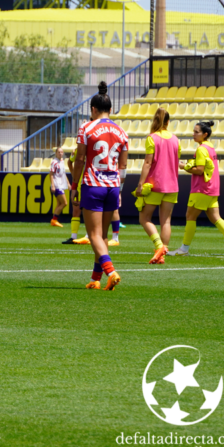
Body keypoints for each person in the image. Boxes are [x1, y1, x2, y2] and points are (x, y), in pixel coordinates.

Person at [71, 81, 126, 290]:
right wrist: (119, 190)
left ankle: (111, 272)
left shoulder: (86, 128)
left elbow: (79, 159)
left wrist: (74, 185)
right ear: (110, 110)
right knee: (102, 236)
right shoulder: (121, 132)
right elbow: (123, 166)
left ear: (93, 109)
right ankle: (96, 278)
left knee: (93, 235)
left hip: (93, 185)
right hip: (112, 186)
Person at [170, 121, 224, 257]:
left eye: (197, 132)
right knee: (215, 217)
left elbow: (200, 170)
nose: (193, 134)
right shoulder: (210, 148)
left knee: (190, 216)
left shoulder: (201, 149)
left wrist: (185, 167)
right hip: (212, 188)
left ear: (205, 134)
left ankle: (184, 249)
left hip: (202, 188)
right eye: (194, 131)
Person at [136, 107, 180, 264]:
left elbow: (148, 162)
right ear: (168, 122)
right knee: (166, 221)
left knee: (144, 218)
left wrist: (140, 184)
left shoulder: (152, 138)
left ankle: (159, 246)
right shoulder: (175, 139)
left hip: (155, 184)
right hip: (172, 185)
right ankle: (162, 254)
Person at [49, 147, 69, 227]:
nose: (60, 153)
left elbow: (63, 174)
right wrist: (53, 185)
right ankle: (54, 220)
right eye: (59, 152)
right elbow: (51, 174)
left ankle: (54, 221)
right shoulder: (54, 162)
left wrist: (68, 183)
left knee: (59, 203)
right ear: (56, 153)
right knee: (64, 203)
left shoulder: (62, 161)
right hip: (57, 185)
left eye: (61, 152)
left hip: (61, 185)